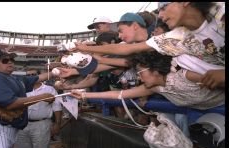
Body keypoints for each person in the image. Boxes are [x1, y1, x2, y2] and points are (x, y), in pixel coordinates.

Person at [73, 2, 225, 89]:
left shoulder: (220, 13)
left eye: (163, 8)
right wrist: (84, 49)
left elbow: (126, 57)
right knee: (182, 62)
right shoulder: (177, 35)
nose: (160, 15)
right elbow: (127, 50)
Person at [70, 51, 224, 112]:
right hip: (204, 112)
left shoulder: (186, 75)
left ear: (155, 70)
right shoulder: (154, 88)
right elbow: (119, 94)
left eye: (140, 72)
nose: (138, 77)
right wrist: (85, 96)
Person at [0, 49, 57, 148]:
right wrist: (42, 97)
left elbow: (37, 78)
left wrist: (56, 72)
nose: (10, 62)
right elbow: (11, 104)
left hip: (8, 129)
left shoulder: (13, 78)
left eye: (12, 59)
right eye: (4, 60)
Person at [13, 68, 62, 148]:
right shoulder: (21, 89)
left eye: (34, 75)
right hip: (22, 124)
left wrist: (57, 124)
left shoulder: (49, 89)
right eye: (28, 75)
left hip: (41, 124)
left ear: (39, 76)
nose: (31, 77)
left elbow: (57, 108)